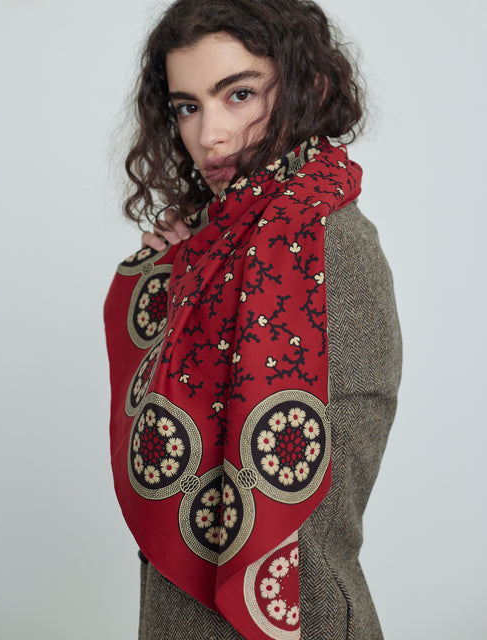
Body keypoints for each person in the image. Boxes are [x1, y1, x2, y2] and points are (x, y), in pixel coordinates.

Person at [104, 1, 402, 639]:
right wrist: (175, 285)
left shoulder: (330, 248)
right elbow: (165, 448)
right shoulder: (213, 247)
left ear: (307, 88)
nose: (209, 135)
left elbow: (315, 520)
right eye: (188, 106)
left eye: (238, 94)